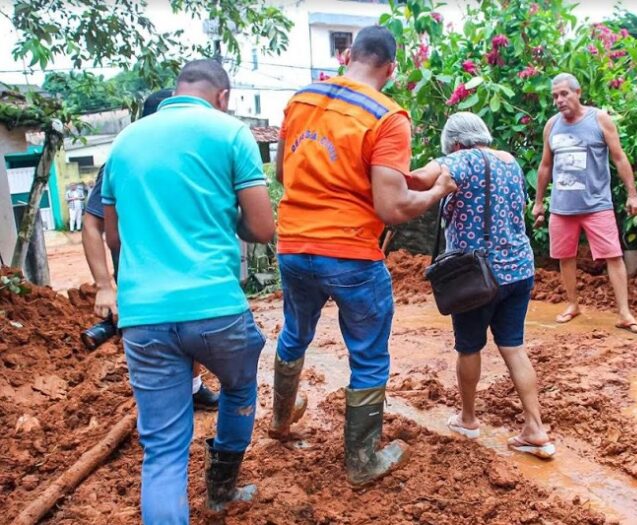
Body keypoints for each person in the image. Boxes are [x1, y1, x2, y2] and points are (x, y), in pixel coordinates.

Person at [272, 25, 456, 485]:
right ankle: (361, 461)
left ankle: (279, 421)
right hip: (351, 252)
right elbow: (391, 207)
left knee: (295, 333)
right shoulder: (387, 116)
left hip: (294, 245)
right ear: (391, 69)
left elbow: (282, 171)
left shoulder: (300, 100)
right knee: (369, 356)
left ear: (348, 54)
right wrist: (436, 190)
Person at [102, 59, 276, 523]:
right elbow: (261, 227)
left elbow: (114, 238)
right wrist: (218, 217)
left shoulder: (124, 143)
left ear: (176, 89)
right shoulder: (230, 132)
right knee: (239, 388)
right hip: (215, 308)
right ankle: (221, 490)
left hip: (143, 316)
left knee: (162, 451)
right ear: (223, 95)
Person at [409, 112, 555, 459]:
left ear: (456, 143)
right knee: (514, 347)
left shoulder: (459, 159)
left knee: (470, 347)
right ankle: (536, 429)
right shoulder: (510, 162)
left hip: (476, 276)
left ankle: (468, 419)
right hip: (519, 269)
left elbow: (417, 179)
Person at [81, 89, 220, 410]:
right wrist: (104, 286)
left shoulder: (188, 162)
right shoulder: (121, 162)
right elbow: (92, 224)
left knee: (189, 334)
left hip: (185, 275)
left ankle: (192, 386)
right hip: (140, 282)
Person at [533, 73, 637, 335]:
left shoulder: (599, 119)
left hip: (597, 204)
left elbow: (619, 158)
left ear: (578, 92)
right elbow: (545, 165)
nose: (559, 100)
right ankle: (572, 305)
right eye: (555, 96)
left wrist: (632, 194)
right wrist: (539, 202)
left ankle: (624, 313)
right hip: (562, 207)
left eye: (564, 94)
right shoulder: (552, 126)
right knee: (565, 257)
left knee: (613, 256)